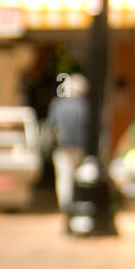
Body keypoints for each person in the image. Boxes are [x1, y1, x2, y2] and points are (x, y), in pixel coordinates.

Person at [46, 73, 89, 213]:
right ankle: (76, 205)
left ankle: (66, 208)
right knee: (77, 178)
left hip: (62, 147)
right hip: (79, 147)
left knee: (64, 177)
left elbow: (51, 125)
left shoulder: (58, 105)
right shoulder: (84, 106)